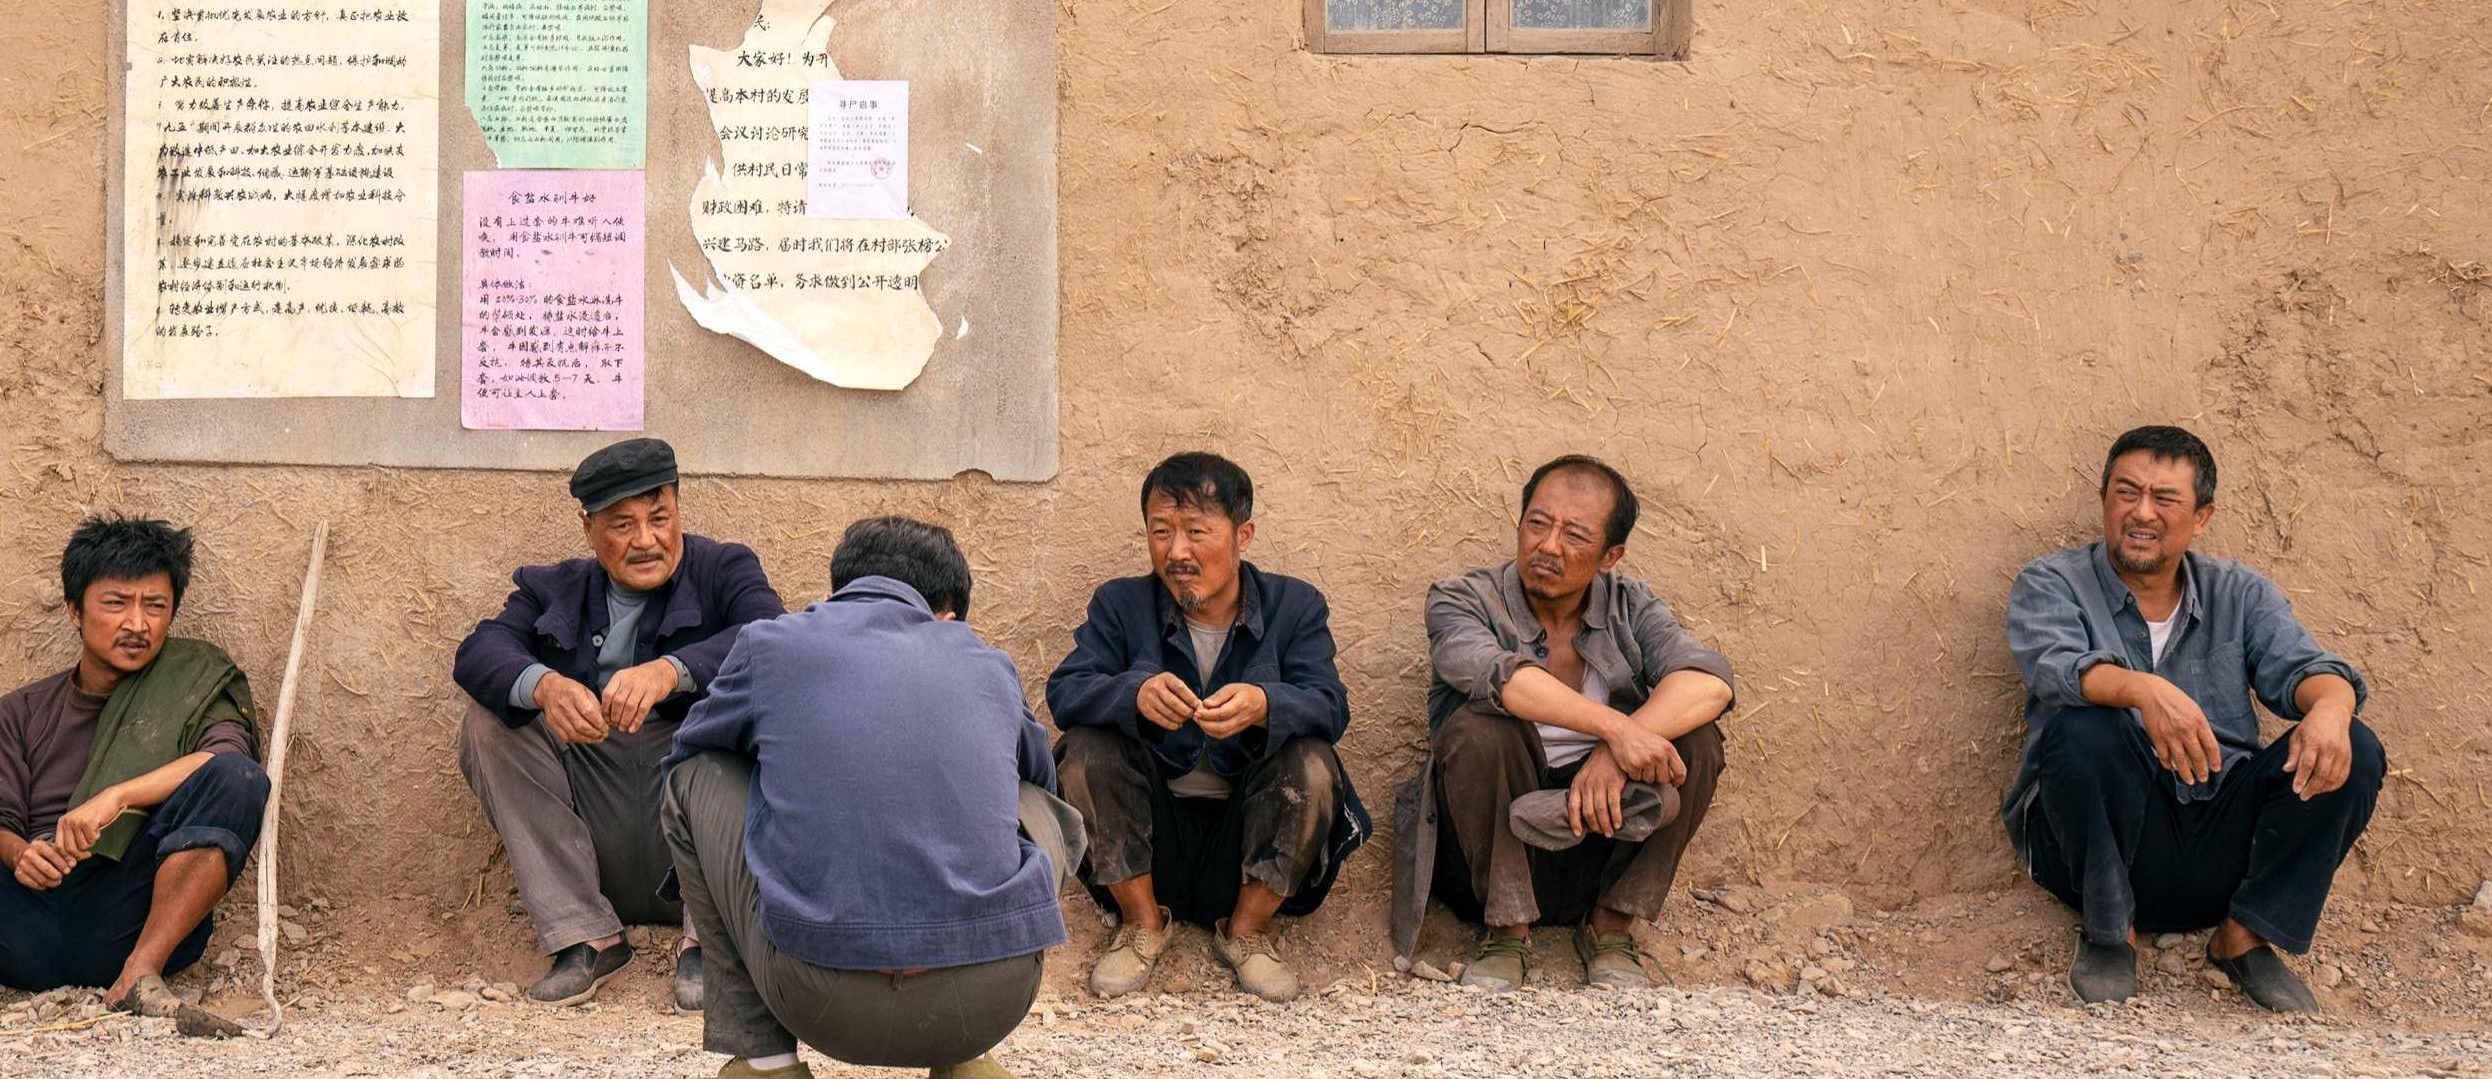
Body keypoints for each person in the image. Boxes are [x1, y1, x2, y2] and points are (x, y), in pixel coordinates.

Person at [662, 516, 1081, 1079]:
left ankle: (765, 1060)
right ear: (948, 615)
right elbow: (1037, 784)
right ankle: (965, 1061)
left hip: (820, 999)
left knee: (694, 776)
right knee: (1035, 798)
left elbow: (690, 747)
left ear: (841, 590)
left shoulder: (770, 644)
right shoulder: (988, 663)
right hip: (991, 1000)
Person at [2004, 425, 2380, 1013]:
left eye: (2165, 499)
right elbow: (2056, 669)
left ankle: (2243, 937)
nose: (2142, 513)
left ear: (2201, 516)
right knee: (2084, 726)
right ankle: (2109, 933)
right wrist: (2142, 690)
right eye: (2126, 493)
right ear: (2104, 498)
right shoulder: (2053, 582)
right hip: (2090, 844)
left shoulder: (2240, 594)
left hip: (2214, 839)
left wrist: (2333, 708)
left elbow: (2308, 668)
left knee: (2354, 748)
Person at [0, 516, 269, 1023]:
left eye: (154, 606)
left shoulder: (193, 683)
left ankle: (140, 976)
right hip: (16, 917)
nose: (137, 624)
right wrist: (21, 854)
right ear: (75, 610)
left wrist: (116, 797)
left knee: (239, 780)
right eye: (116, 603)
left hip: (130, 911)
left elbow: (225, 760)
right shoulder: (20, 711)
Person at [453, 437, 785, 1007]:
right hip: (597, 807)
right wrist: (546, 686)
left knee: (761, 717)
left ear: (679, 511)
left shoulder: (725, 568)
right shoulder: (553, 586)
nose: (646, 540)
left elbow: (771, 637)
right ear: (588, 530)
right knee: (488, 723)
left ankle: (712, 940)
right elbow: (480, 651)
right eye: (622, 524)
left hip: (691, 802)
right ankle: (586, 934)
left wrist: (671, 671)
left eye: (659, 518)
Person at [1388, 456, 1733, 992]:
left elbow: (1710, 683)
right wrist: (1616, 731)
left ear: (1610, 556)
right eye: (1537, 523)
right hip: (1486, 858)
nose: (1548, 546)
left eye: (1574, 534)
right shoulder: (1462, 599)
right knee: (1481, 728)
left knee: (1698, 739)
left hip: (1601, 833)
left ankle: (1612, 927)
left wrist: (1612, 756)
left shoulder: (1632, 606)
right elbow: (1503, 679)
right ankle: (1507, 932)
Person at [1046, 452, 1368, 1002]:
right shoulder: (1121, 605)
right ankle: (1142, 924)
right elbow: (1066, 690)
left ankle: (1248, 932)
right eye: (1161, 532)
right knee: (1085, 748)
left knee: (1312, 761)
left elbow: (1330, 706)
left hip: (1245, 842)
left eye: (1196, 532)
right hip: (1148, 841)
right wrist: (1134, 693)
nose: (1177, 552)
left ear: (1243, 536)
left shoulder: (1295, 607)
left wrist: (1267, 703)